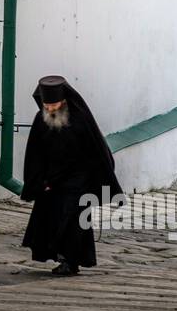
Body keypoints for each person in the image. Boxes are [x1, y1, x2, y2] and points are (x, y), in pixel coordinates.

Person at [20, 75, 124, 276]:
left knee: (72, 221)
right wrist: (40, 181)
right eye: (47, 105)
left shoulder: (80, 120)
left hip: (78, 180)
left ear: (65, 101)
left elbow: (96, 153)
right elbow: (35, 153)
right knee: (50, 220)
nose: (50, 109)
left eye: (55, 105)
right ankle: (60, 257)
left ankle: (71, 261)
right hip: (51, 182)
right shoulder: (40, 119)